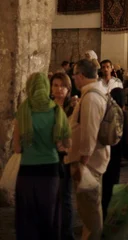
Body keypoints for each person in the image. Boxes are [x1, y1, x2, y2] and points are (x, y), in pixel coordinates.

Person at [14, 72, 71, 240]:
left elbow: (17, 148)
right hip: (50, 170)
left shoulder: (23, 111)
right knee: (49, 216)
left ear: (29, 88)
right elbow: (66, 145)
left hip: (27, 172)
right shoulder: (57, 111)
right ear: (47, 88)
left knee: (27, 218)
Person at [65, 58, 110, 240]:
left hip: (88, 163)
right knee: (88, 210)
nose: (74, 79)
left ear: (81, 75)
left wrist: (82, 163)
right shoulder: (92, 93)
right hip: (90, 161)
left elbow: (89, 133)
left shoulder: (91, 97)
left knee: (90, 212)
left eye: (75, 75)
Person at [102, 88, 128, 219]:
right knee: (110, 189)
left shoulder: (104, 112)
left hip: (102, 156)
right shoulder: (122, 114)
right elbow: (125, 143)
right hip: (114, 159)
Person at [51, 72, 78, 240]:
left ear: (68, 88)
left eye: (62, 86)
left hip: (65, 156)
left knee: (65, 196)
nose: (59, 89)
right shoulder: (48, 107)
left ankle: (67, 234)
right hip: (48, 156)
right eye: (55, 85)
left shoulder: (73, 108)